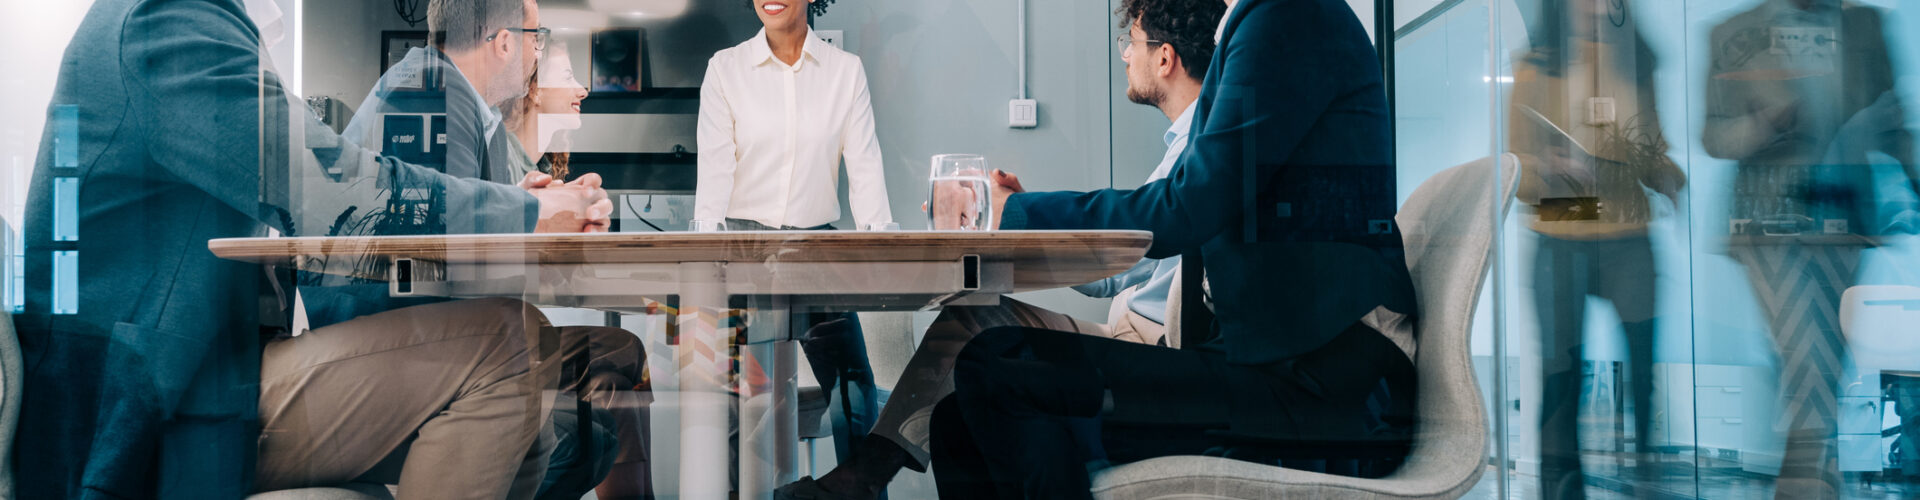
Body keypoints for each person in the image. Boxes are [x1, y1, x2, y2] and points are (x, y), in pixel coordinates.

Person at [13, 0, 613, 498]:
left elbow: (318, 190)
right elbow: (333, 188)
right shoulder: (168, 18)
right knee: (512, 344)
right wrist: (529, 211)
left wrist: (515, 205)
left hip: (182, 371)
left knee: (529, 388)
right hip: (136, 405)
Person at [932, 0, 1418, 497]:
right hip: (1274, 364)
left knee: (992, 366)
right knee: (957, 416)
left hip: (1327, 387)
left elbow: (1189, 205)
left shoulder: (1286, 15)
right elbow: (1197, 201)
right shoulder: (1265, 22)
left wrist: (1020, 211)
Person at [774, 1, 1224, 498]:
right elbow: (1111, 275)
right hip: (1127, 326)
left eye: (1131, 44)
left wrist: (1013, 214)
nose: (1124, 57)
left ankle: (866, 474)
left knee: (973, 336)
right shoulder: (1186, 145)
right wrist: (1023, 210)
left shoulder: (1197, 153)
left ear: (1164, 59)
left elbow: (1117, 267)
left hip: (1150, 348)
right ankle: (867, 473)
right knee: (967, 339)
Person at [335, 5, 650, 499]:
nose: (535, 53)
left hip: (421, 337)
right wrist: (536, 212)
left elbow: (448, 218)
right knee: (586, 438)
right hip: (397, 352)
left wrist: (531, 201)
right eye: (535, 38)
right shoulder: (433, 95)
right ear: (504, 42)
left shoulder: (448, 95)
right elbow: (435, 251)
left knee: (597, 423)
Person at [1703, 1, 1920, 498]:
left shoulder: (1864, 25)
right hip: (1768, 225)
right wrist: (1764, 125)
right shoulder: (1733, 32)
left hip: (1846, 219)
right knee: (1808, 367)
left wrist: (1914, 180)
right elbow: (1713, 136)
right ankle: (1811, 485)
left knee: (1820, 372)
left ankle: (1805, 482)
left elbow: (1893, 119)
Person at [696, 0, 894, 484]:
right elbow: (715, 175)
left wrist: (886, 251)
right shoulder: (725, 68)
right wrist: (706, 264)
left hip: (816, 252)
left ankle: (858, 495)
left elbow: (865, 171)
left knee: (855, 390)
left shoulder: (845, 72)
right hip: (738, 248)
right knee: (715, 394)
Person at [1510, 1, 1685, 498]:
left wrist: (1670, 177)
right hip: (1561, 235)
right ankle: (1563, 490)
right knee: (1563, 376)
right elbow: (1516, 168)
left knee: (1644, 370)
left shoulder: (1637, 65)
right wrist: (1549, 165)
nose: (1595, 5)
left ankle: (1647, 481)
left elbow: (1655, 150)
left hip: (1630, 238)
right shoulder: (1535, 66)